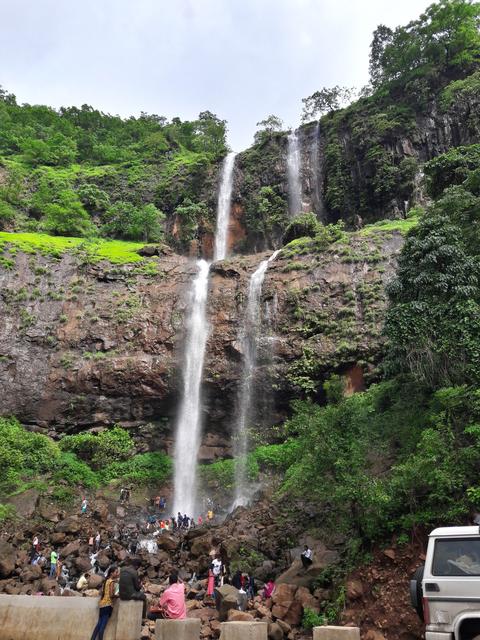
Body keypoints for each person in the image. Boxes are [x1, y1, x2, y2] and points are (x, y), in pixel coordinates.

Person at [90, 565, 119, 640]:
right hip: (108, 605)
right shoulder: (111, 582)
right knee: (102, 626)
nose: (117, 574)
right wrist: (117, 595)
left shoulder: (106, 581)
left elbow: (102, 592)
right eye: (116, 572)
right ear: (111, 573)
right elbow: (111, 595)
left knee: (98, 624)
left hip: (102, 604)